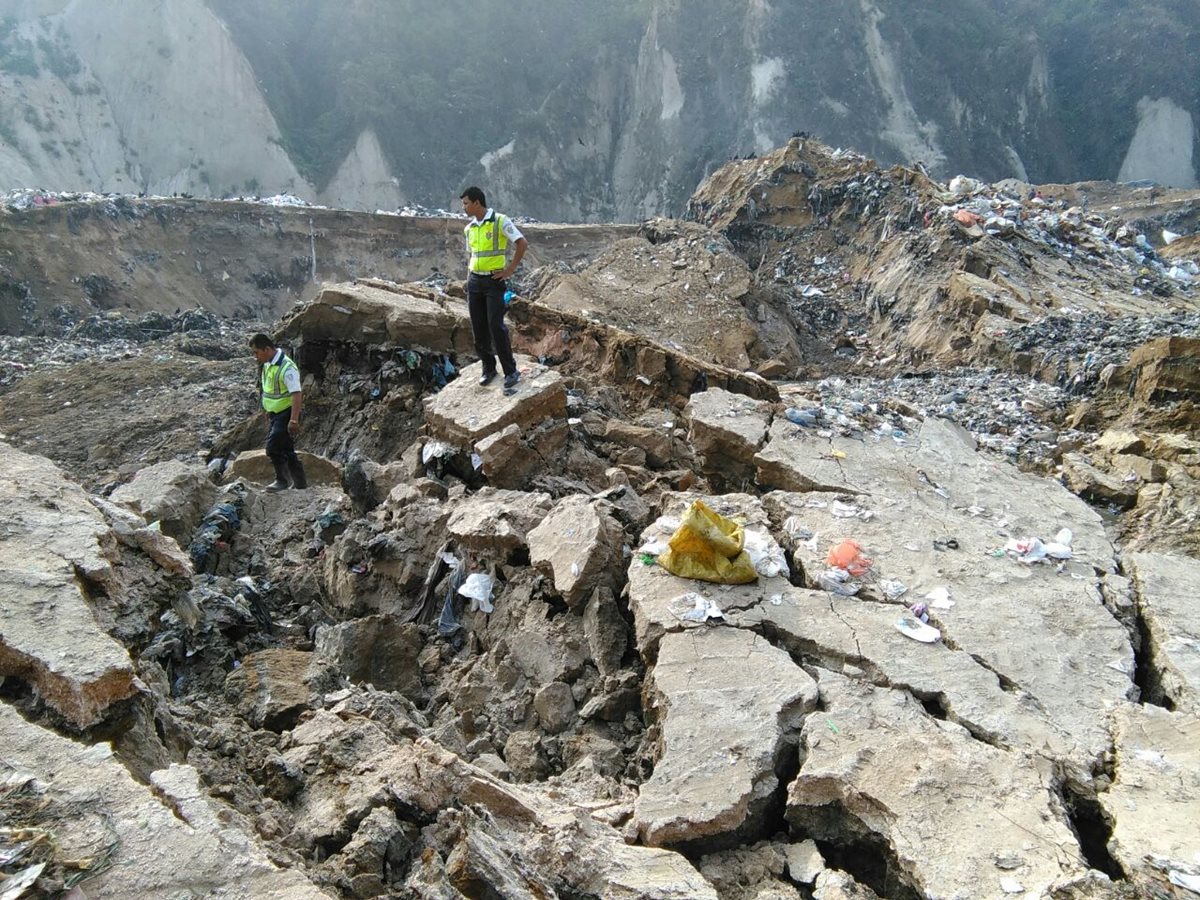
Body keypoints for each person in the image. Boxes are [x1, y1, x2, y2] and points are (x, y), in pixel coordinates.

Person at [459, 186, 527, 391]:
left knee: (495, 326)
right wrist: (468, 279)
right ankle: (488, 368)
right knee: (478, 327)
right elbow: (472, 256)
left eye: (466, 203)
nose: (464, 208)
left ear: (477, 203)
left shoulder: (500, 221)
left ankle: (510, 371)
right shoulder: (469, 228)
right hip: (475, 282)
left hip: (493, 282)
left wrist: (509, 270)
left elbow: (522, 243)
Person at [249, 333, 307, 492]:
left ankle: (282, 480)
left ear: (266, 349)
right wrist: (268, 410)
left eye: (256, 352)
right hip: (275, 414)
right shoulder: (268, 364)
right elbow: (269, 390)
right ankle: (300, 483)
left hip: (286, 413)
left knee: (273, 448)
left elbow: (296, 393)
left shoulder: (287, 367)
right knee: (287, 448)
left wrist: (293, 420)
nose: (255, 356)